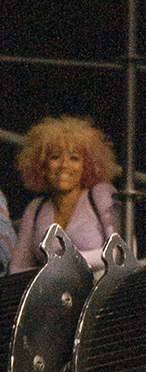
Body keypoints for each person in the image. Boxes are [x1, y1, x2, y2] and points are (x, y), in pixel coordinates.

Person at [7, 116, 121, 272]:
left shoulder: (100, 194)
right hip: (51, 288)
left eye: (74, 158)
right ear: (42, 165)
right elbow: (17, 268)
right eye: (55, 157)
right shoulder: (35, 208)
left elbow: (121, 251)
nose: (64, 165)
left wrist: (64, 263)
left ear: (87, 165)